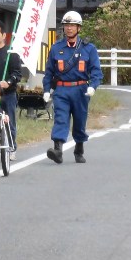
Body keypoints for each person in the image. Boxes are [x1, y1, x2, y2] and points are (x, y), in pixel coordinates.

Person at [42, 11, 103, 164]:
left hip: (81, 90)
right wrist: (46, 90)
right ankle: (57, 149)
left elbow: (96, 71)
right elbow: (49, 71)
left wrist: (93, 87)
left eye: (72, 25)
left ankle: (79, 148)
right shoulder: (56, 48)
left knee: (79, 121)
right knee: (60, 118)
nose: (68, 28)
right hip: (61, 90)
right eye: (66, 25)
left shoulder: (89, 48)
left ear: (78, 28)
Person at [0, 20, 22, 159]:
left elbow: (18, 74)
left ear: (3, 35)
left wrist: (8, 82)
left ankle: (11, 148)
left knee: (9, 122)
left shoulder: (11, 53)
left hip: (8, 94)